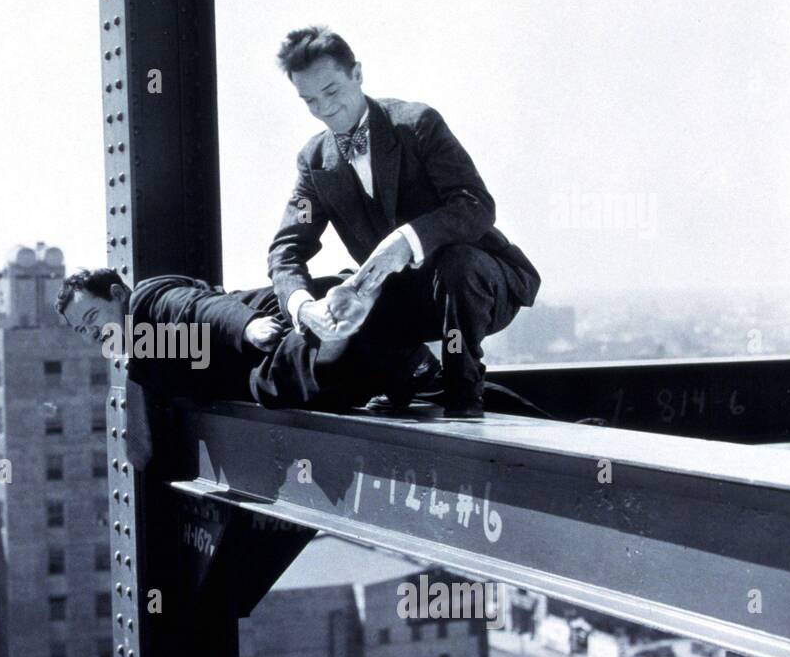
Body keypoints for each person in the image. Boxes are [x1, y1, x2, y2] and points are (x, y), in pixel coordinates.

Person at [268, 25, 541, 417]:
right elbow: (286, 249)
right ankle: (407, 378)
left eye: (331, 91)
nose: (324, 110)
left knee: (457, 263)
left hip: (476, 285)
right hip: (405, 300)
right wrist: (301, 306)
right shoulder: (315, 162)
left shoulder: (418, 125)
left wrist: (408, 240)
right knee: (341, 289)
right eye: (309, 100)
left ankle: (464, 393)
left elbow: (476, 205)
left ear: (357, 74)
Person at [55, 267, 434, 414]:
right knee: (299, 388)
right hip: (262, 365)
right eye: (82, 331)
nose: (92, 334)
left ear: (119, 295)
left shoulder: (149, 303)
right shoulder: (143, 358)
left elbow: (197, 308)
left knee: (288, 377)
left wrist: (248, 325)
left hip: (269, 330)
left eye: (91, 318)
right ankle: (404, 364)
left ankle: (351, 317)